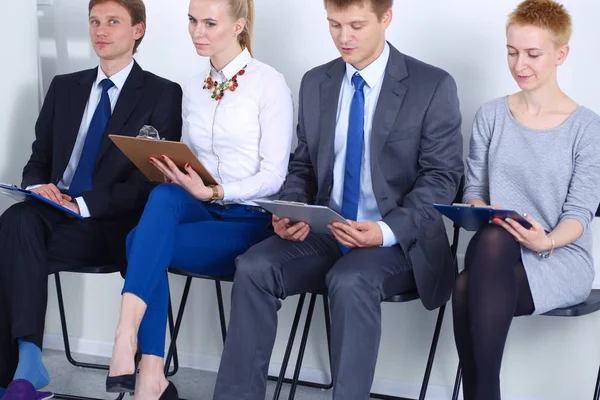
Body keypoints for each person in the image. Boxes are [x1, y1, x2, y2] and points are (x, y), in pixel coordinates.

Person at [212, 0, 464, 398]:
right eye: (334, 25)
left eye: (356, 26)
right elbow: (302, 166)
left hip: (397, 240)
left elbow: (443, 178)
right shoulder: (317, 82)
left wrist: (383, 232)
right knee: (254, 267)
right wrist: (291, 210)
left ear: (386, 18)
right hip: (326, 231)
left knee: (350, 280)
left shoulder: (431, 86)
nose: (343, 37)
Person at [105, 0, 294, 398]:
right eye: (192, 21)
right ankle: (143, 363)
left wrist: (218, 191)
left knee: (138, 241)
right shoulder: (193, 87)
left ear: (239, 25)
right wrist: (167, 165)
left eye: (209, 23)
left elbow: (275, 174)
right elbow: (189, 163)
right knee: (164, 193)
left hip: (248, 221)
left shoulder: (269, 83)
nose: (197, 31)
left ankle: (140, 355)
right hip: (200, 209)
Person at [0, 0, 182, 397]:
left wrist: (83, 205)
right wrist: (37, 187)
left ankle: (20, 374)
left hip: (113, 224)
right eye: (94, 21)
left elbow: (149, 183)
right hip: (54, 211)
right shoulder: (65, 87)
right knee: (15, 222)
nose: (101, 30)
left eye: (113, 21)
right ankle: (28, 360)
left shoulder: (162, 94)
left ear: (138, 30)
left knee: (12, 244)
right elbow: (39, 158)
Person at [452, 1, 600, 399]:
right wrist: (478, 207)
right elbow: (475, 191)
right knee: (491, 241)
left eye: (533, 54)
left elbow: (579, 213)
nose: (520, 64)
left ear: (560, 54)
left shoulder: (586, 127)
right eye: (512, 51)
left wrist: (546, 241)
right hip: (497, 252)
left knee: (467, 287)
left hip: (559, 255)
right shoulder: (491, 116)